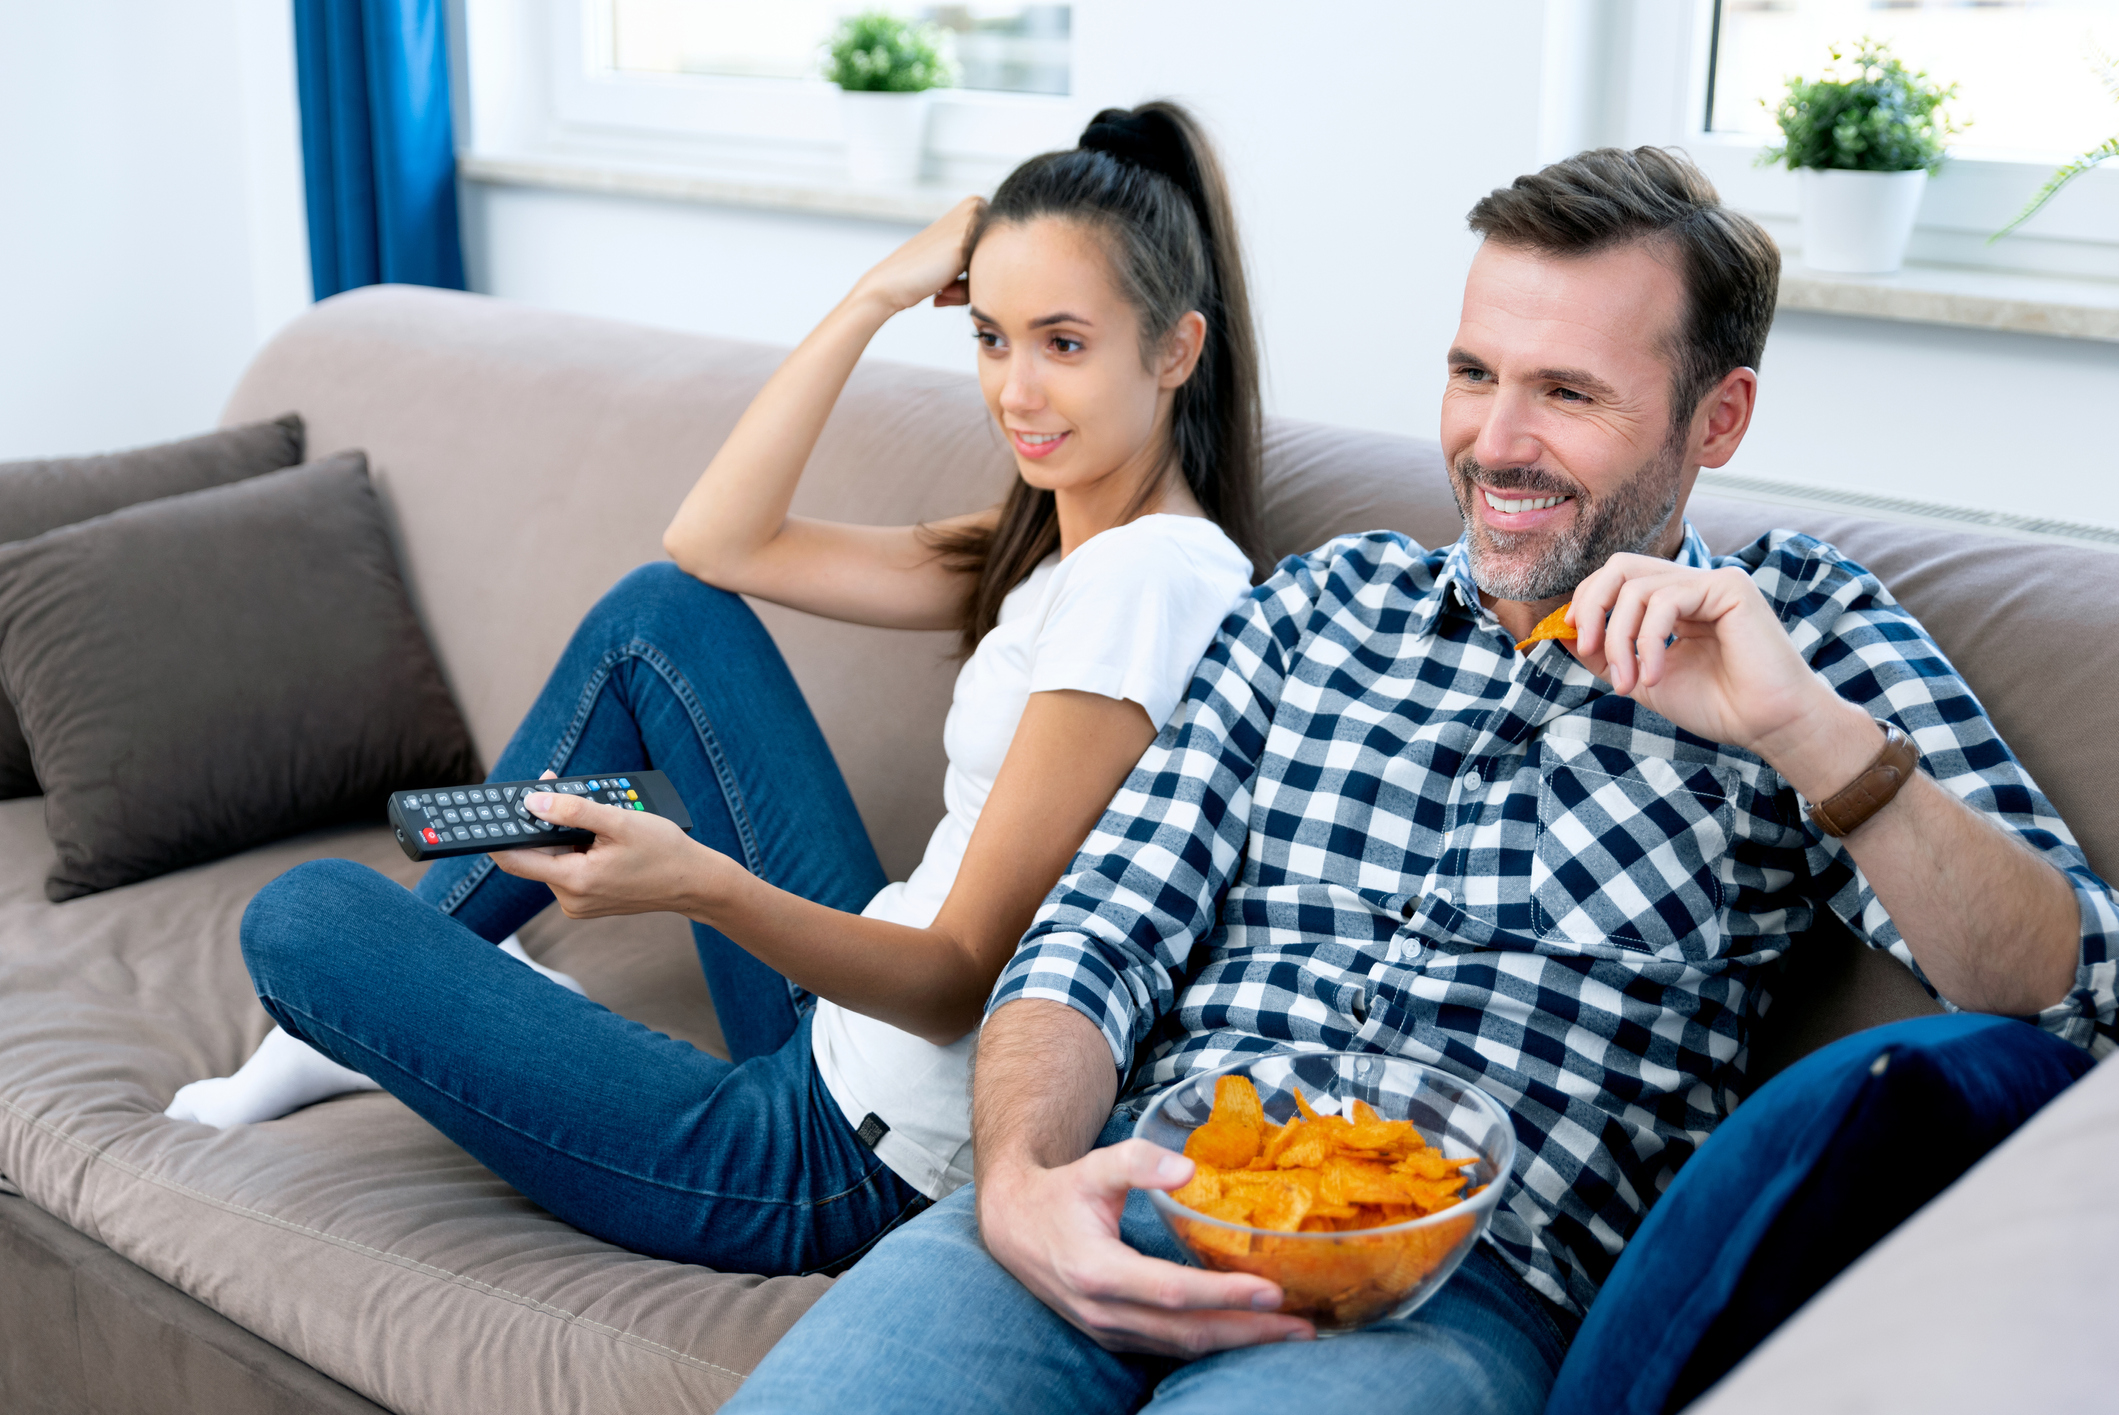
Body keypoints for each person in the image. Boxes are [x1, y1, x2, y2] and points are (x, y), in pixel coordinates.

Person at [723, 146, 2118, 1413]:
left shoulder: (1799, 634)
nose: (1495, 442)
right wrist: (1022, 1182)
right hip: (1135, 1192)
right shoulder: (1316, 606)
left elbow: (2077, 991)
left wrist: (1807, 735)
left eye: (1565, 391)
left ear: (1717, 417)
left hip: (1455, 1292)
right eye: (1472, 373)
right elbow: (1099, 932)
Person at [167, 102, 1269, 1279]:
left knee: (302, 917)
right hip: (845, 1021)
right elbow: (715, 543)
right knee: (660, 614)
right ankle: (418, 977)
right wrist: (876, 295)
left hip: (843, 1157)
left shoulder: (1147, 585)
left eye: (1064, 344)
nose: (1016, 392)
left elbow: (957, 979)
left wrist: (701, 884)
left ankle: (401, 984)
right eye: (991, 338)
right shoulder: (1061, 547)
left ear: (1175, 350)